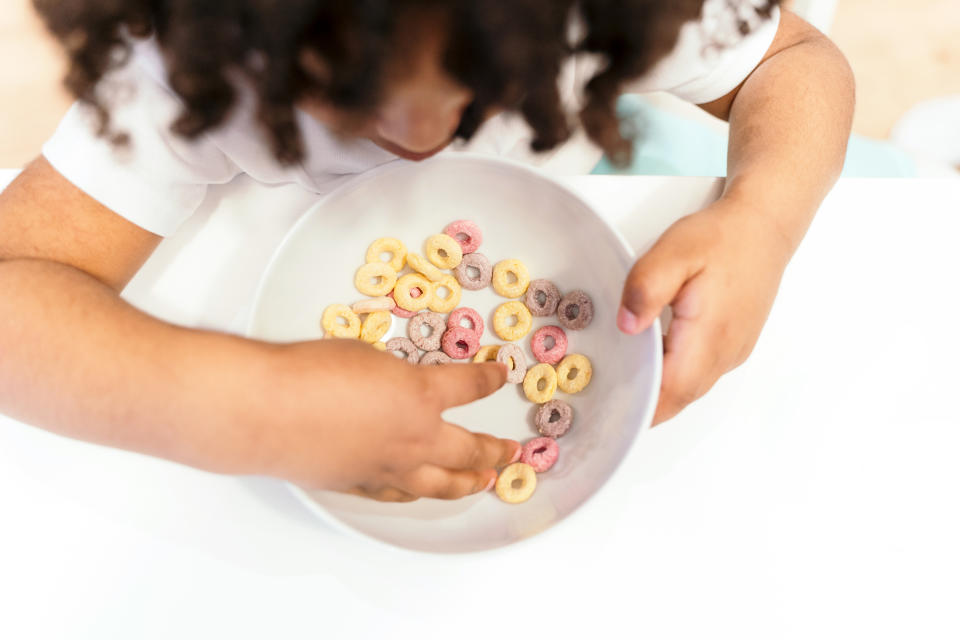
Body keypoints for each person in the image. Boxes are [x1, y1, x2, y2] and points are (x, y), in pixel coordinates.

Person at [0, 0, 854, 502]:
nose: (424, 135)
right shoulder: (183, 64)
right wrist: (258, 410)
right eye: (341, 95)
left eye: (483, 89)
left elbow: (800, 61)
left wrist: (764, 214)